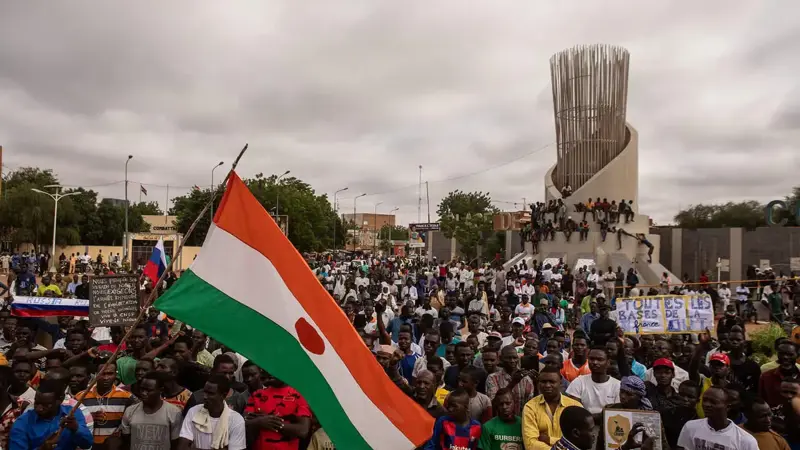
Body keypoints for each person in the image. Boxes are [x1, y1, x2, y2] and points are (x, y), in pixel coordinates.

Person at [9, 379, 94, 450]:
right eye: (37, 403)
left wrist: (76, 428)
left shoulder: (73, 414)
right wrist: (42, 449)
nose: (39, 408)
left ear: (60, 399)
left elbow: (87, 444)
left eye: (46, 405)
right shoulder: (22, 423)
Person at [243, 371, 311, 450]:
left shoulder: (299, 395)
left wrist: (271, 422)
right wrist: (260, 421)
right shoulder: (258, 395)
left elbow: (303, 431)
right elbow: (243, 423)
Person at [79, 359, 136, 450]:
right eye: (102, 373)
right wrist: (88, 417)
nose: (106, 378)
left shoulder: (127, 398)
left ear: (115, 375)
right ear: (96, 374)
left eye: (110, 374)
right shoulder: (81, 397)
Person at [677, 387, 758, 450]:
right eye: (704, 400)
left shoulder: (745, 440)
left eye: (713, 402)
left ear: (727, 406)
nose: (706, 404)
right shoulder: (690, 427)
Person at [178, 375, 247, 450]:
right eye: (205, 392)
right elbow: (182, 447)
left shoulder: (236, 420)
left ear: (223, 395)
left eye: (210, 393)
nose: (205, 396)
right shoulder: (193, 411)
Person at [521, 367, 582, 450]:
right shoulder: (530, 407)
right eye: (543, 382)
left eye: (552, 382)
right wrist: (563, 446)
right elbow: (530, 445)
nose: (547, 385)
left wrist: (549, 439)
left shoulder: (575, 406)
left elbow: (579, 443)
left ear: (560, 382)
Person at [119, 371, 183, 450]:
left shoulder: (174, 412)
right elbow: (126, 440)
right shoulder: (130, 411)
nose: (144, 393)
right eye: (142, 389)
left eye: (148, 390)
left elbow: (175, 443)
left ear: (161, 390)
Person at [565, 346, 620, 417]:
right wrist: (601, 415)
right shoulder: (579, 382)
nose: (594, 362)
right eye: (591, 359)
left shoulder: (617, 385)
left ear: (608, 362)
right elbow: (575, 412)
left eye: (600, 359)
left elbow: (616, 414)